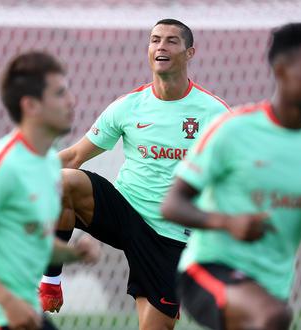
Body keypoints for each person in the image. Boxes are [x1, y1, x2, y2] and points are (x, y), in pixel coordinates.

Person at [161, 22, 301, 330]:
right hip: (209, 270)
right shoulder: (233, 129)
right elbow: (172, 205)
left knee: (272, 315)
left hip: (272, 284)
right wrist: (228, 222)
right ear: (281, 71)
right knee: (272, 317)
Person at [37, 19, 231, 329]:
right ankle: (50, 279)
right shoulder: (128, 106)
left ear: (189, 52)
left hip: (171, 235)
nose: (161, 47)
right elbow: (74, 155)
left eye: (171, 41)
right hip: (125, 211)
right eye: (155, 40)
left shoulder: (215, 113)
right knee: (64, 181)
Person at [0, 51, 101, 330]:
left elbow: (32, 237)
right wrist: (6, 301)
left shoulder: (48, 166)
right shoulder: (3, 164)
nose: (71, 101)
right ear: (31, 105)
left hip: (24, 313)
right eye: (60, 93)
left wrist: (72, 253)